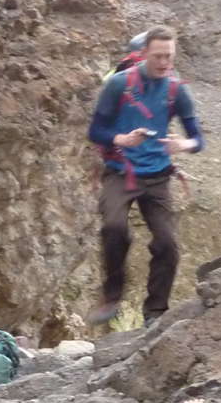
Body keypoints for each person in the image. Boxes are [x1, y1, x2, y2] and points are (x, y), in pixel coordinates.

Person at [86, 25, 206, 327]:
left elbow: (197, 139)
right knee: (114, 228)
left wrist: (183, 145)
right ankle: (112, 296)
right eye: (158, 56)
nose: (164, 63)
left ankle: (155, 312)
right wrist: (121, 140)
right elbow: (96, 130)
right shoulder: (119, 84)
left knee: (167, 244)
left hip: (158, 177)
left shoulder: (177, 91)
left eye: (169, 57)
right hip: (120, 172)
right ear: (144, 54)